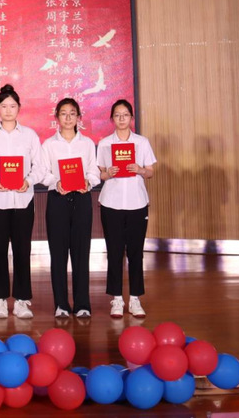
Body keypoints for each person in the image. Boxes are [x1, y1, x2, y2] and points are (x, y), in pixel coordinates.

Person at [0, 84, 46, 320]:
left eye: (12, 106)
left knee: (22, 250)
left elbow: (40, 166)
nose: (8, 110)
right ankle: (0, 300)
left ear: (19, 108)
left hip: (23, 200)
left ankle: (22, 300)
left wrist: (29, 181)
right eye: (4, 106)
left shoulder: (30, 135)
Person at [41, 97, 100, 319]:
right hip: (58, 199)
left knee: (81, 253)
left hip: (82, 199)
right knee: (58, 254)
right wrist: (55, 182)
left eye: (72, 113)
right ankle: (61, 304)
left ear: (78, 117)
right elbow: (43, 173)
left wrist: (88, 182)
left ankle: (83, 303)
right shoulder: (48, 145)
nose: (68, 118)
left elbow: (94, 171)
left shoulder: (87, 144)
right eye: (63, 113)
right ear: (57, 117)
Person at [97, 99, 157, 318]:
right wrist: (108, 173)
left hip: (137, 203)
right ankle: (116, 298)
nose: (121, 119)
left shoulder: (141, 142)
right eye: (117, 115)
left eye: (125, 115)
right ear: (112, 118)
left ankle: (135, 298)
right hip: (111, 204)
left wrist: (140, 169)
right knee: (114, 252)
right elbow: (100, 174)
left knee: (135, 252)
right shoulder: (104, 143)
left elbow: (150, 172)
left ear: (131, 118)